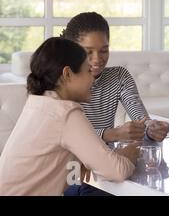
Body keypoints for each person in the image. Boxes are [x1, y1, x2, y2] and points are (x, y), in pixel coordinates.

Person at [0, 37, 139, 195]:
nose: (93, 78)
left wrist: (82, 159)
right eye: (87, 71)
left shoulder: (38, 103)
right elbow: (117, 170)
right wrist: (132, 151)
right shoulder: (65, 113)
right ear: (67, 74)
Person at [60, 12, 169, 195]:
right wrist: (112, 134)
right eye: (89, 52)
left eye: (104, 50)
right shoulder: (64, 81)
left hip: (111, 168)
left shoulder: (119, 76)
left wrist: (151, 127)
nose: (97, 59)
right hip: (75, 173)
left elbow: (140, 117)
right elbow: (65, 136)